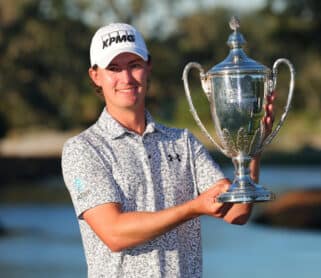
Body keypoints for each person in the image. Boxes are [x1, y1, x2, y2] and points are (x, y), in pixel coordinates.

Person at [62, 22, 275, 278]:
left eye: (134, 65)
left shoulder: (182, 141)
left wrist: (253, 148)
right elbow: (114, 233)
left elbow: (237, 213)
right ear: (95, 75)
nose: (126, 78)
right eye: (114, 69)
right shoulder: (82, 149)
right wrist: (193, 208)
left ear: (149, 66)